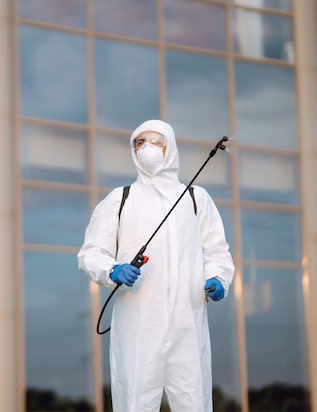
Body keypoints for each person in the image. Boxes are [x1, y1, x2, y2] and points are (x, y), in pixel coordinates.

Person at [77, 119, 235, 411]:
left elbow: (217, 251)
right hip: (139, 323)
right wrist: (111, 269)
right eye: (140, 143)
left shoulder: (195, 198)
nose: (147, 149)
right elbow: (90, 253)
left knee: (194, 399)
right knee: (135, 399)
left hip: (188, 321)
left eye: (156, 142)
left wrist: (217, 279)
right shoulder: (120, 200)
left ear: (170, 147)